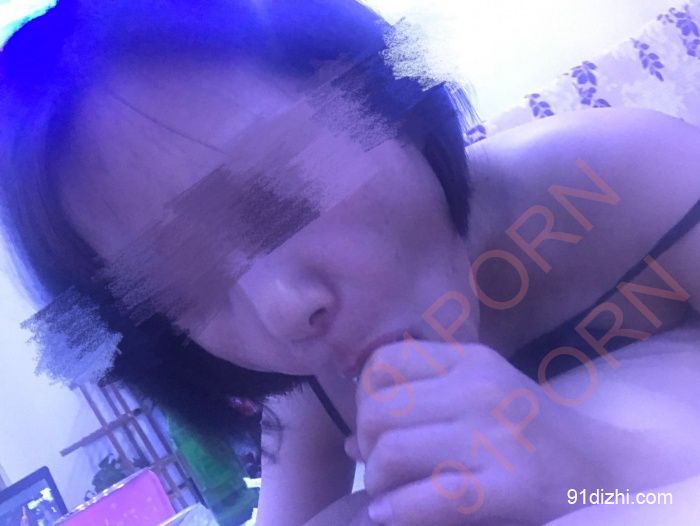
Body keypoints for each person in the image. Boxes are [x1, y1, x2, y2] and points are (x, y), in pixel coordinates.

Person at [0, 1, 698, 525]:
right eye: (182, 288)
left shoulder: (629, 176)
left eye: (275, 191)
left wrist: (600, 468)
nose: (281, 309)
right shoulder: (319, 385)